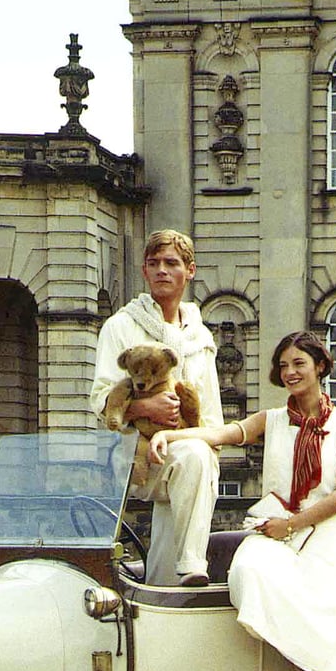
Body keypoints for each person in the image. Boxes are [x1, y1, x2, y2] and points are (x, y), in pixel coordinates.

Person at [149, 331, 336, 671]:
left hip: (321, 530)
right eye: (283, 365)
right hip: (272, 521)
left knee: (314, 605)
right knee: (248, 574)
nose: (290, 372)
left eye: (299, 363)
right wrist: (173, 433)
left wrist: (296, 523)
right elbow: (224, 433)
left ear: (320, 366)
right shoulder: (273, 418)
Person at [90, 229, 223, 586]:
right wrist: (146, 408)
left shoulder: (201, 336)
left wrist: (201, 440)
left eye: (172, 263)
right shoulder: (120, 326)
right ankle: (194, 563)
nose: (162, 270)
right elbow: (102, 401)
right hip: (137, 457)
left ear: (190, 271)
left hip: (186, 453)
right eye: (154, 263)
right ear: (145, 272)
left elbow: (210, 413)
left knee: (196, 458)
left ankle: (169, 594)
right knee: (193, 458)